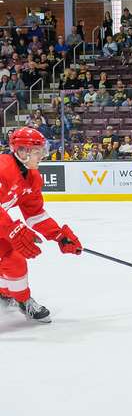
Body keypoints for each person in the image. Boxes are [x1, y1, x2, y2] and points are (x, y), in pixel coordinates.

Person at [0, 127, 82, 323]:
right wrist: (12, 229)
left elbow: (35, 214)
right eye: (38, 152)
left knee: (13, 259)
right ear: (21, 151)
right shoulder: (2, 168)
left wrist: (59, 236)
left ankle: (10, 294)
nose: (42, 156)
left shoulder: (33, 177)